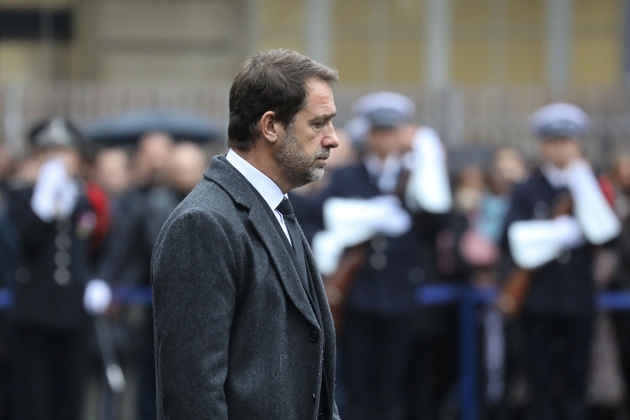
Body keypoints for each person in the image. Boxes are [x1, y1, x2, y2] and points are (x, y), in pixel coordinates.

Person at [151, 49, 341, 419]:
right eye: (318, 124)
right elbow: (193, 396)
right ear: (270, 126)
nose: (332, 139)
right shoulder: (203, 224)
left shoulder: (275, 206)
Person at [311, 92, 453, 420]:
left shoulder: (416, 176)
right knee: (359, 385)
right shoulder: (349, 176)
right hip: (359, 293)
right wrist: (364, 216)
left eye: (392, 132)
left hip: (401, 293)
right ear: (369, 135)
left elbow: (439, 222)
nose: (385, 139)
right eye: (379, 132)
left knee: (394, 385)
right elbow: (321, 215)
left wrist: (429, 165)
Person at [500, 103, 621, 420]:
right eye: (554, 142)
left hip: (577, 298)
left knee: (576, 380)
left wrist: (582, 182)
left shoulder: (589, 185)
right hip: (538, 298)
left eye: (567, 141)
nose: (561, 148)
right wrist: (557, 235)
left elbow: (607, 236)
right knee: (538, 381)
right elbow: (512, 239)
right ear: (542, 145)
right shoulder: (527, 189)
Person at [6, 117, 113, 420]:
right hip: (34, 313)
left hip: (71, 313)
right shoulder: (22, 197)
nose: (57, 161)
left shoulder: (83, 200)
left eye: (64, 152)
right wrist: (43, 200)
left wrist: (96, 280)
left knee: (69, 399)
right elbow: (25, 240)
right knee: (34, 401)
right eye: (48, 153)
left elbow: (94, 247)